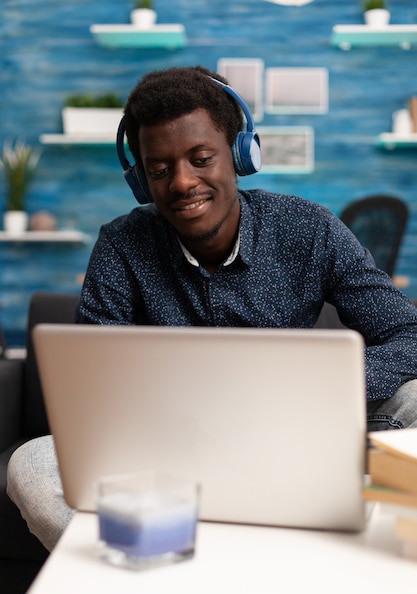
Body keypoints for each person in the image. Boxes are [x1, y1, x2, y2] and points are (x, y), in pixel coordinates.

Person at [7, 65, 417, 551]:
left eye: (201, 158)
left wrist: (327, 389)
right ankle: (155, 567)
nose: (182, 182)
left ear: (240, 154)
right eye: (159, 170)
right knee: (30, 463)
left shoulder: (310, 229)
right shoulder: (121, 245)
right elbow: (87, 392)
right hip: (164, 450)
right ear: (141, 180)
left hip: (297, 432)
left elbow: (407, 334)